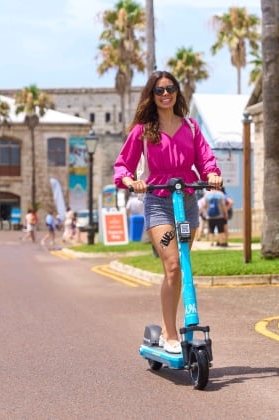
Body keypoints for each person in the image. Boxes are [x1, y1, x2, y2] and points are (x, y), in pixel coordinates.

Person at [113, 70, 223, 354]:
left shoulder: (191, 127)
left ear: (177, 92)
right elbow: (124, 163)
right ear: (152, 95)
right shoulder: (143, 130)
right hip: (158, 201)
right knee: (172, 264)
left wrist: (211, 174)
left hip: (186, 200)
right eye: (159, 90)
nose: (165, 95)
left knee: (182, 266)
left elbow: (206, 159)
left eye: (170, 89)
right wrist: (130, 181)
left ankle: (167, 328)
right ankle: (170, 334)